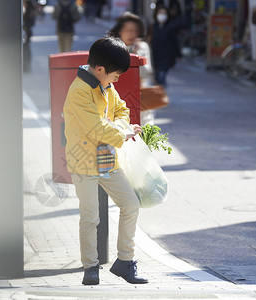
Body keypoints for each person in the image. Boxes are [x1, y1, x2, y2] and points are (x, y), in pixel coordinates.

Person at [62, 37, 147, 286]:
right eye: (115, 75)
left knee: (130, 205)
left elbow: (121, 111)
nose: (116, 79)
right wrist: (122, 132)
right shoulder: (79, 91)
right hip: (84, 162)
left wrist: (120, 127)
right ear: (100, 69)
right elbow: (94, 127)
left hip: (107, 159)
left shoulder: (105, 86)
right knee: (90, 218)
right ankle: (91, 267)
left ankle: (124, 262)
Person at [108, 12, 155, 125]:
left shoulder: (142, 47)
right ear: (120, 31)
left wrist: (136, 55)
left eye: (134, 31)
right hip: (117, 94)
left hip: (139, 93)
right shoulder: (112, 47)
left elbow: (146, 73)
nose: (132, 34)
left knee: (145, 125)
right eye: (128, 30)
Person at [149, 5, 182, 86]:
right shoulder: (152, 27)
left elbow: (175, 42)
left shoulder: (170, 27)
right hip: (154, 57)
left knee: (162, 76)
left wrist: (178, 54)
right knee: (156, 78)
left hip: (166, 58)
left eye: (164, 13)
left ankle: (162, 94)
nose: (162, 15)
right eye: (160, 13)